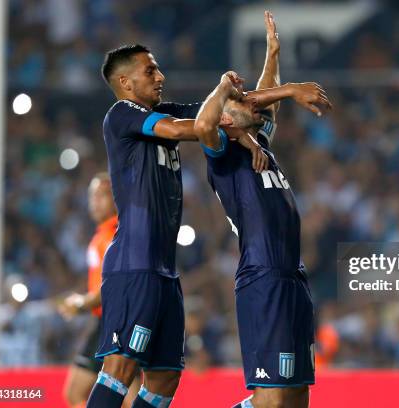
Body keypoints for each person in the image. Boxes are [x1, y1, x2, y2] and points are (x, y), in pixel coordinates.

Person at [86, 44, 267, 408]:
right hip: (134, 265)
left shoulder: (163, 109)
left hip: (165, 271)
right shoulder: (121, 114)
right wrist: (220, 93)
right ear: (125, 81)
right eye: (150, 71)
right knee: (120, 367)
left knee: (165, 377)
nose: (160, 77)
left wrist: (280, 94)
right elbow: (185, 128)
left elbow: (223, 114)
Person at [194, 11, 332, 408]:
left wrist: (272, 55)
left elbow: (262, 103)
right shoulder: (222, 151)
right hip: (264, 278)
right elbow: (210, 123)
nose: (253, 106)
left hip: (293, 279)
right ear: (224, 115)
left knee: (295, 398)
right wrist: (286, 89)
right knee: (270, 400)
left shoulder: (259, 145)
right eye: (240, 102)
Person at [59, 173, 140, 408]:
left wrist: (81, 303)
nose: (95, 201)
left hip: (112, 321)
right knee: (126, 394)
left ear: (116, 199)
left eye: (102, 195)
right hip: (114, 320)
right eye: (92, 196)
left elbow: (113, 287)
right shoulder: (104, 235)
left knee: (75, 392)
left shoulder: (112, 236)